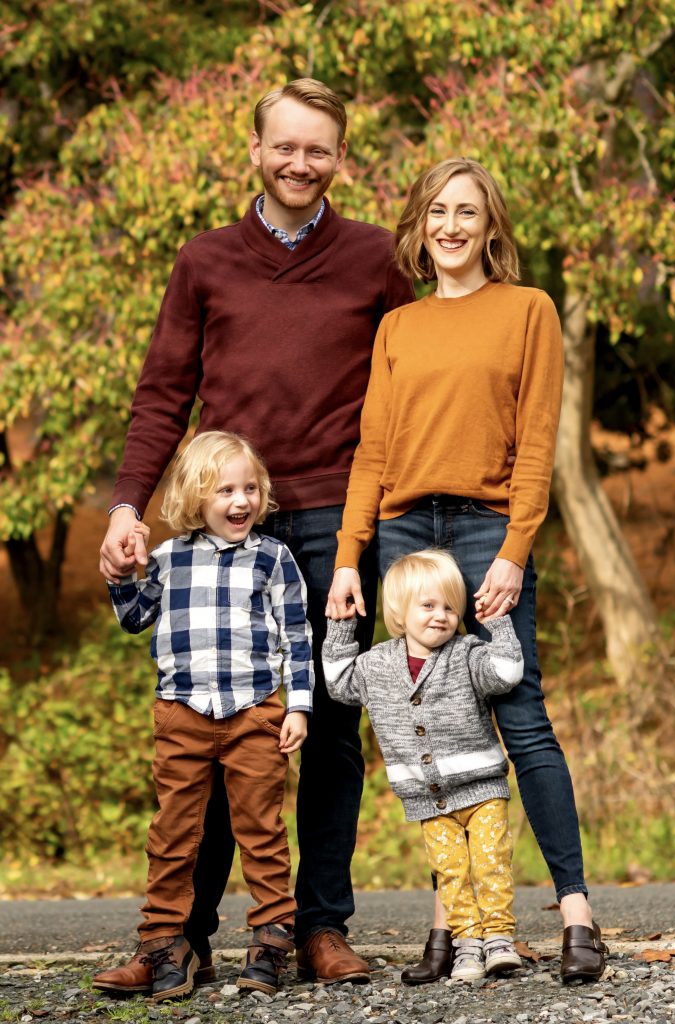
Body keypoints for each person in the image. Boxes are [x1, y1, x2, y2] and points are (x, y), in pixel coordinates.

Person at [96, 78, 415, 992]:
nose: (300, 163)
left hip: (336, 523)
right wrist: (128, 506)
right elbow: (162, 394)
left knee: (329, 730)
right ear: (256, 150)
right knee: (216, 720)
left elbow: (406, 383)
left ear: (339, 159)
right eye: (285, 146)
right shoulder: (204, 263)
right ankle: (181, 937)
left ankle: (316, 928)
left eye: (318, 149)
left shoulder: (373, 260)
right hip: (222, 525)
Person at [327, 157, 608, 985]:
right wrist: (349, 557)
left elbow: (537, 442)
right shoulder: (398, 328)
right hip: (405, 527)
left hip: (486, 527)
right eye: (438, 211)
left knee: (520, 716)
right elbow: (372, 451)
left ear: (492, 228)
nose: (451, 226)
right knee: (434, 727)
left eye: (469, 213)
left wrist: (516, 550)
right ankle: (450, 926)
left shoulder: (529, 311)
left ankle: (576, 915)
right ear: (420, 224)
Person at [96, 431, 313, 1000]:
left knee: (260, 830)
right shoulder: (167, 559)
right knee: (172, 834)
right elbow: (135, 618)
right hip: (182, 714)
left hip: (256, 714)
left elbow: (297, 636)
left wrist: (300, 706)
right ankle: (164, 944)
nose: (240, 502)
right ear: (195, 496)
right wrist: (121, 575)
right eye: (225, 491)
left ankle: (270, 940)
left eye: (249, 489)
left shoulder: (274, 558)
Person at [324, 550, 525, 982]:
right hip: (426, 797)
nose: (441, 616)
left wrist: (499, 623)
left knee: (490, 862)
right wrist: (341, 627)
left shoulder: (468, 652)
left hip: (482, 787)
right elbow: (339, 683)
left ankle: (499, 939)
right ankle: (468, 943)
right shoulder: (376, 663)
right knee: (450, 871)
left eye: (451, 607)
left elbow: (506, 673)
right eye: (428, 606)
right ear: (399, 610)